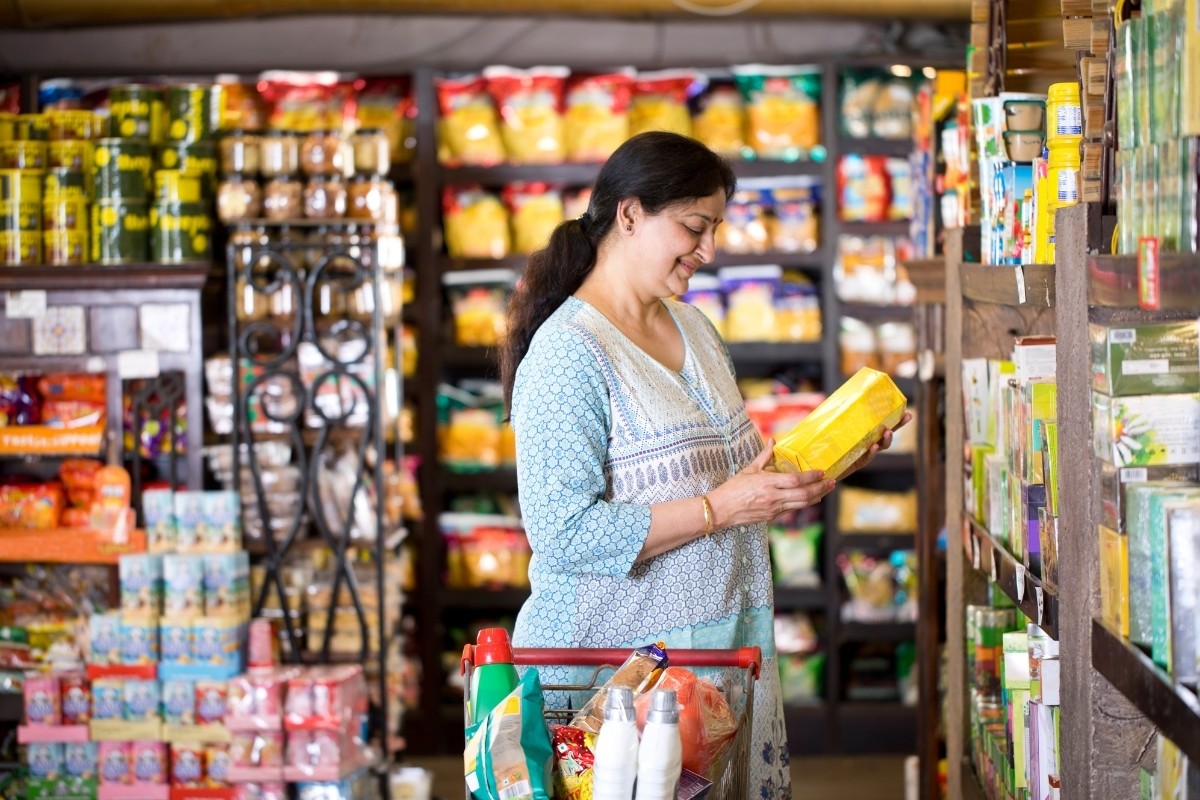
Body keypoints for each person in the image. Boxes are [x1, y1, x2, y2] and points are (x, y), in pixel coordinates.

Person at [501, 131, 909, 799]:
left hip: (716, 658)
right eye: (694, 227)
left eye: (714, 228)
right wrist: (722, 509)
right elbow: (564, 533)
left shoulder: (694, 328)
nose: (709, 251)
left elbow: (738, 474)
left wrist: (838, 454)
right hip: (621, 681)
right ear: (628, 215)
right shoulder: (567, 355)